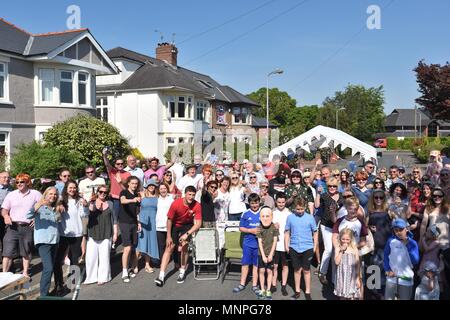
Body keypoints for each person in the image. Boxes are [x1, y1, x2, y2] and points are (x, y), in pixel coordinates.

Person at [155, 186, 202, 286]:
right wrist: (168, 236)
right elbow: (169, 220)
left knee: (184, 246)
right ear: (185, 194)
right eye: (189, 194)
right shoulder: (176, 203)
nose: (191, 197)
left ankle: (182, 271)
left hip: (187, 226)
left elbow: (198, 224)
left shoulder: (197, 205)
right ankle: (161, 276)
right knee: (170, 247)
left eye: (193, 195)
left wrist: (187, 234)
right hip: (175, 225)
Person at [1, 173, 42, 277]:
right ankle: (4, 275)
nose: (19, 184)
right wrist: (6, 216)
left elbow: (43, 207)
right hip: (12, 227)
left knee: (26, 251)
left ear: (27, 182)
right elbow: (4, 210)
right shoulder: (12, 194)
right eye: (17, 182)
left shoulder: (35, 194)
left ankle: (25, 273)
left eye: (22, 182)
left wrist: (36, 218)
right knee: (7, 252)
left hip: (27, 227)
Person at [53, 180, 88, 296]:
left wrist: (85, 205)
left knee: (74, 259)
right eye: (70, 188)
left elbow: (84, 214)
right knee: (58, 260)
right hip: (63, 234)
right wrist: (58, 207)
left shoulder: (79, 200)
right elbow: (56, 216)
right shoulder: (60, 200)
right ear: (66, 189)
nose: (72, 190)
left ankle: (73, 282)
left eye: (74, 188)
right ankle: (58, 284)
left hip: (76, 234)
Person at [27, 187, 60, 297]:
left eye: (55, 194)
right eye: (50, 194)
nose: (53, 196)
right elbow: (28, 215)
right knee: (48, 268)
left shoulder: (56, 207)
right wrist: (39, 204)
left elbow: (58, 220)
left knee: (50, 268)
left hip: (55, 240)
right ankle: (44, 295)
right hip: (43, 241)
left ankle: (48, 292)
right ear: (45, 194)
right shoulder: (39, 206)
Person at [285, 198, 318, 300]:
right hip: (294, 247)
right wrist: (287, 245)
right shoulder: (290, 217)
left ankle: (307, 291)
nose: (299, 211)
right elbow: (287, 232)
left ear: (305, 208)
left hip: (307, 247)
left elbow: (315, 232)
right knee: (297, 270)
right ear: (294, 208)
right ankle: (297, 291)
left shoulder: (310, 218)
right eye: (298, 209)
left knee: (306, 270)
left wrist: (315, 246)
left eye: (302, 209)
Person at [84, 185, 118, 285]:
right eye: (101, 192)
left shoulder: (110, 204)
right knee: (91, 257)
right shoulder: (92, 202)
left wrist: (115, 234)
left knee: (104, 257)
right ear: (97, 192)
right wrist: (91, 202)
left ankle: (104, 277)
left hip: (107, 233)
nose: (103, 194)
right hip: (93, 233)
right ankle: (91, 278)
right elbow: (91, 210)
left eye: (105, 192)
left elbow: (114, 220)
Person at [315, 177, 344, 285]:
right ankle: (322, 272)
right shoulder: (325, 195)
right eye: (330, 186)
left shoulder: (341, 197)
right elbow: (317, 205)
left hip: (338, 226)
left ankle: (334, 277)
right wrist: (318, 194)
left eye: (334, 186)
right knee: (328, 249)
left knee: (336, 250)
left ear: (337, 187)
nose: (332, 188)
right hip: (326, 225)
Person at [420, 187, 450, 290]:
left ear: (443, 197)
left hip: (446, 244)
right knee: (432, 271)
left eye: (439, 196)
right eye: (434, 196)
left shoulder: (448, 208)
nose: (437, 197)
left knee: (446, 272)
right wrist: (421, 239)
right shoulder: (428, 208)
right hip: (431, 244)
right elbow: (424, 225)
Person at [384, 218, 419, 300]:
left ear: (406, 229)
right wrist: (387, 269)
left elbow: (415, 261)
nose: (398, 232)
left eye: (401, 229)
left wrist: (407, 245)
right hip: (391, 279)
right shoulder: (390, 241)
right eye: (396, 230)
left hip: (406, 279)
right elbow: (385, 256)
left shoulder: (413, 243)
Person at [233, 193, 261, 294]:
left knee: (256, 265)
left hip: (259, 245)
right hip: (248, 243)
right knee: (245, 264)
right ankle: (242, 284)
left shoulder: (263, 212)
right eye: (252, 203)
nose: (254, 205)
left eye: (256, 203)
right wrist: (251, 231)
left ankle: (255, 285)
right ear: (249, 203)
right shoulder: (245, 213)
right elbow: (241, 228)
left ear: (259, 202)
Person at [78, 165, 106, 265]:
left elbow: (104, 192)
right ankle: (84, 254)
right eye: (88, 172)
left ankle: (98, 252)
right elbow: (80, 195)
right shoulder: (82, 182)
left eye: (92, 171)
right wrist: (85, 201)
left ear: (95, 171)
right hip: (86, 209)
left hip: (100, 208)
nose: (90, 173)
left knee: (99, 229)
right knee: (85, 233)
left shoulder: (101, 180)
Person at [367, 189, 391, 299]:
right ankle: (374, 294)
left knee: (385, 271)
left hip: (386, 245)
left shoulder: (389, 211)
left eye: (381, 197)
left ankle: (382, 294)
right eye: (376, 197)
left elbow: (397, 224)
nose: (378, 199)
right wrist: (369, 228)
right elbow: (364, 227)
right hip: (374, 247)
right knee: (374, 270)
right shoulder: (370, 212)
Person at [119, 176, 141, 283]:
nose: (134, 185)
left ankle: (131, 268)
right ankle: (124, 271)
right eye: (132, 183)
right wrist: (133, 200)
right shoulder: (124, 192)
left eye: (136, 183)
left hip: (134, 223)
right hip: (124, 223)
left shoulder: (137, 194)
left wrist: (139, 222)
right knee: (127, 248)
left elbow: (137, 211)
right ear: (128, 184)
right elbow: (122, 201)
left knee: (134, 247)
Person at [135, 179, 159, 273]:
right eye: (150, 185)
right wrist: (138, 221)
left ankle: (147, 264)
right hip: (142, 221)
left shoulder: (158, 196)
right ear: (147, 186)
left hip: (153, 222)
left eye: (153, 185)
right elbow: (136, 209)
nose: (152, 187)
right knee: (140, 243)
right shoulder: (141, 194)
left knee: (149, 243)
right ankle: (135, 264)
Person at [256, 207, 279, 300]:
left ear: (272, 217)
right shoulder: (259, 228)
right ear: (260, 217)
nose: (265, 218)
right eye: (263, 216)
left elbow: (275, 241)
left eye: (267, 216)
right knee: (261, 271)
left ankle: (268, 289)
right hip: (261, 254)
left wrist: (270, 255)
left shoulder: (274, 227)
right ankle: (262, 289)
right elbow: (259, 242)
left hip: (271, 254)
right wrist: (263, 255)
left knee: (269, 271)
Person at [102, 149, 131, 222]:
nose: (120, 165)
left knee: (123, 218)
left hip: (124, 198)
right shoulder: (113, 172)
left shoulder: (128, 174)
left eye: (121, 163)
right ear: (115, 165)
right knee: (114, 218)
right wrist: (104, 155)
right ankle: (115, 233)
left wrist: (121, 181)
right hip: (114, 199)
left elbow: (127, 188)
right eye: (118, 164)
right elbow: (107, 164)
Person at [271, 192, 291, 296]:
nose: (281, 204)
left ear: (285, 202)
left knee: (285, 265)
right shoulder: (272, 213)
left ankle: (284, 285)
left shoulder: (289, 214)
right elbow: (267, 226)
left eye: (283, 202)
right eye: (279, 202)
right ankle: (273, 284)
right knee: (274, 265)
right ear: (276, 202)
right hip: (275, 244)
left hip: (285, 244)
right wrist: (273, 225)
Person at [334, 228, 362, 300]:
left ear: (351, 239)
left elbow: (357, 264)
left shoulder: (354, 248)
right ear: (340, 238)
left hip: (352, 276)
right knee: (343, 296)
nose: (345, 241)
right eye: (343, 239)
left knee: (352, 296)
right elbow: (336, 262)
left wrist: (358, 278)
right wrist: (341, 251)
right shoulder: (338, 248)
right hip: (342, 276)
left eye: (347, 239)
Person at [155, 183, 175, 262]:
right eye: (161, 189)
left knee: (171, 244)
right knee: (161, 245)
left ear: (167, 189)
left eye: (164, 188)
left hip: (170, 224)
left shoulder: (171, 197)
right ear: (159, 191)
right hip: (159, 225)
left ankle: (173, 259)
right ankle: (162, 261)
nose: (163, 190)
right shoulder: (156, 198)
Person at [0, 171, 12, 254]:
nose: (7, 179)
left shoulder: (11, 188)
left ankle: (8, 261)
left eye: (8, 177)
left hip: (8, 216)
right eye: (4, 177)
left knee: (7, 239)